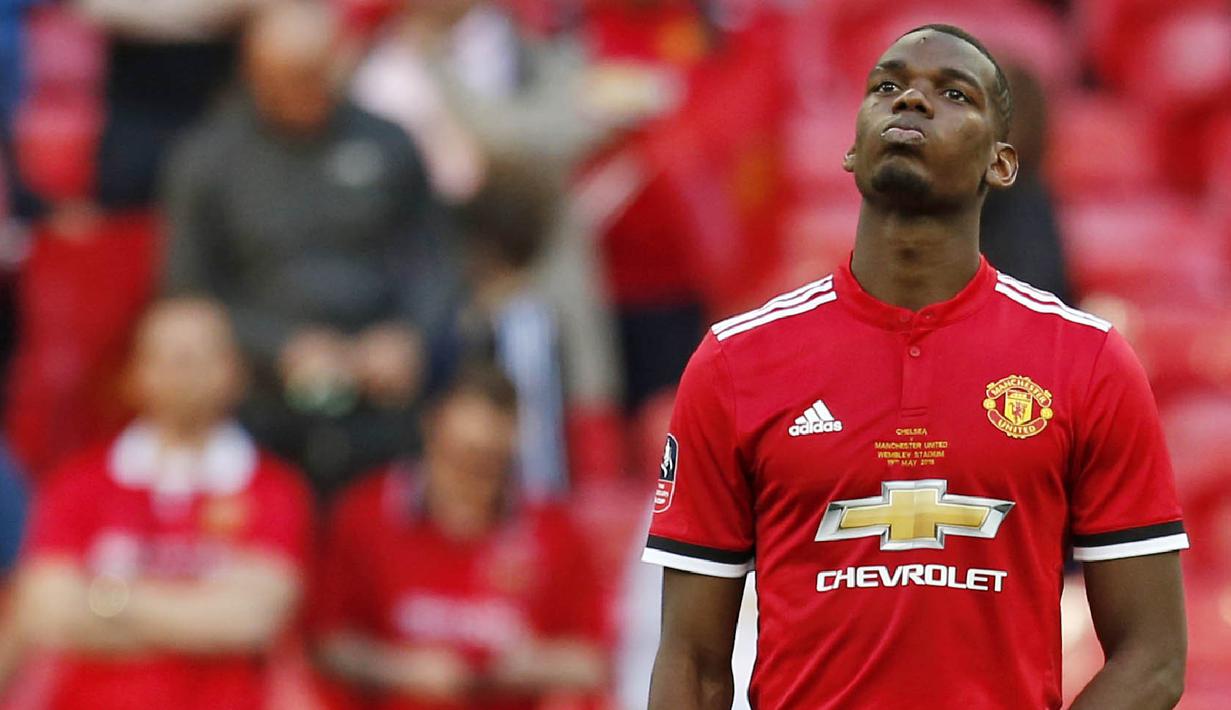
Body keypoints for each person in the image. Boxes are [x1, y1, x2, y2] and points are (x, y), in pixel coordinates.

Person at [643, 24, 1188, 709]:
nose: (911, 102)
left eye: (952, 93)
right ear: (849, 147)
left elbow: (1153, 656)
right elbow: (690, 662)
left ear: (1002, 163)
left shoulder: (1086, 361)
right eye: (887, 87)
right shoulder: (734, 361)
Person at [164, 1, 457, 498]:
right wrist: (278, 347)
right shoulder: (207, 160)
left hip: (382, 387)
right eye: (287, 78)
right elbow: (187, 293)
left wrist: (411, 338)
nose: (304, 91)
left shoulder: (390, 143)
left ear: (338, 62)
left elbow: (439, 264)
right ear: (253, 72)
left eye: (314, 74)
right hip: (258, 403)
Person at [7, 297, 312, 709]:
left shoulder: (275, 488)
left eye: (197, 356)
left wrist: (103, 599)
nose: (181, 372)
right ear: (134, 373)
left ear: (235, 371)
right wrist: (198, 612)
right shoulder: (78, 481)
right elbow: (46, 611)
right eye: (165, 356)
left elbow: (251, 618)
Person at [315, 364, 608, 710]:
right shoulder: (365, 515)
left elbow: (596, 661)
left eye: (490, 462)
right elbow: (328, 645)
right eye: (461, 456)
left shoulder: (552, 528)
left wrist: (532, 665)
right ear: (431, 433)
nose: (473, 477)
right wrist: (397, 669)